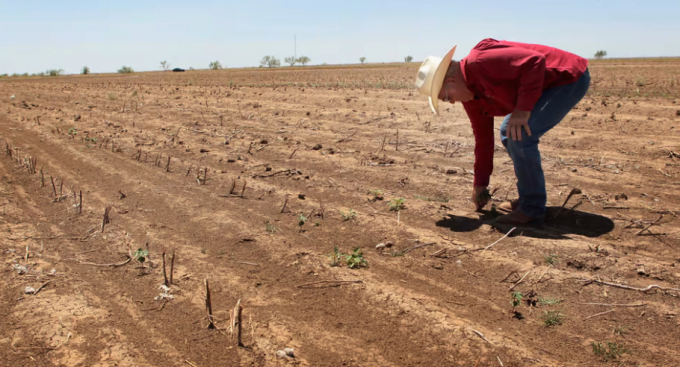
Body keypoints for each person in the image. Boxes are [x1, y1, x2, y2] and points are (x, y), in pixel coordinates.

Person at [414, 38, 590, 225]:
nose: (450, 102)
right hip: (543, 87)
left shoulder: (480, 61)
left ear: (450, 81)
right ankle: (528, 200)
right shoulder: (471, 98)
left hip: (567, 78)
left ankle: (532, 208)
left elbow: (535, 61)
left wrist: (522, 110)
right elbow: (483, 141)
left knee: (518, 134)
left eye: (445, 97)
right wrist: (480, 184)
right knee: (510, 132)